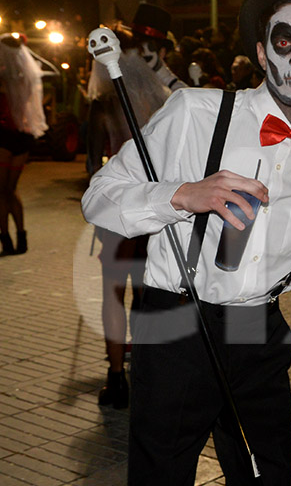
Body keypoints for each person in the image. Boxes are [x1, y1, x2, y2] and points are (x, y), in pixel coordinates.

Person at [81, 0, 291, 486]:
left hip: (259, 331)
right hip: (174, 325)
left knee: (269, 475)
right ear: (261, 53)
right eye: (285, 41)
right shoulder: (196, 112)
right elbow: (99, 196)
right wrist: (181, 195)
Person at [86, 23, 171, 409]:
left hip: (118, 211)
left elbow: (92, 162)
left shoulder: (103, 105)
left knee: (113, 294)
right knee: (147, 292)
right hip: (153, 207)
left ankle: (116, 376)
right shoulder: (164, 100)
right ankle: (150, 372)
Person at [0, 33, 50, 256]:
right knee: (12, 190)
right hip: (22, 136)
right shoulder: (28, 75)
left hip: (1, 136)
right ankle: (22, 236)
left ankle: (6, 240)